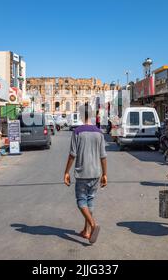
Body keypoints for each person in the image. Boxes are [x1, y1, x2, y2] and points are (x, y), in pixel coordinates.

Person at [64, 103, 108, 244]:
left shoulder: (77, 132)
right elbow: (103, 156)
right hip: (96, 173)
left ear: (82, 115)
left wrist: (66, 172)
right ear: (93, 115)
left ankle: (93, 225)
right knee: (90, 200)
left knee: (81, 201)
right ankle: (87, 231)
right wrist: (105, 174)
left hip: (82, 173)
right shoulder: (99, 132)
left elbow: (72, 155)